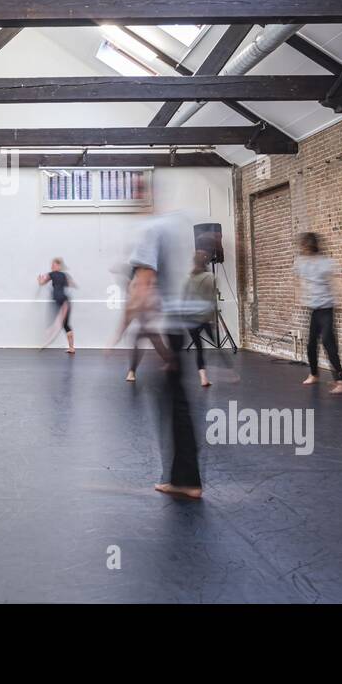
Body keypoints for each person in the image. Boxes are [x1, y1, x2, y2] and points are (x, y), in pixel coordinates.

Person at [129, 211, 203, 500]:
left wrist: (146, 331)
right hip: (178, 324)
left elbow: (145, 283)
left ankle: (185, 481)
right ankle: (185, 479)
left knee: (173, 407)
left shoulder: (151, 229)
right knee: (176, 405)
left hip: (167, 326)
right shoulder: (175, 227)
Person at [294, 231, 342, 396]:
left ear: (312, 247)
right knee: (310, 345)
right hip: (313, 310)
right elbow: (299, 281)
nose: (304, 250)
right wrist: (299, 295)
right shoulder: (301, 262)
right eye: (303, 248)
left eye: (306, 247)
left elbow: (341, 285)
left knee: (329, 343)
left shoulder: (326, 263)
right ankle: (314, 374)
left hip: (327, 309)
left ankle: (341, 382)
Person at [181, 249, 218, 388]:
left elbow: (184, 299)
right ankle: (205, 379)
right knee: (210, 344)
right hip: (203, 318)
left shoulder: (188, 278)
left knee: (199, 348)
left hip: (189, 318)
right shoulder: (210, 277)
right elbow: (212, 300)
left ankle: (204, 378)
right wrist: (212, 320)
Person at [37, 257, 76, 354]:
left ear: (58, 266)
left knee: (57, 323)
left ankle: (48, 338)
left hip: (62, 300)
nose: (52, 266)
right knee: (65, 325)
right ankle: (72, 348)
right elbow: (71, 284)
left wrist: (39, 280)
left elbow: (42, 283)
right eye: (51, 265)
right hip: (65, 301)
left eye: (53, 265)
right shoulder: (64, 275)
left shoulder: (52, 274)